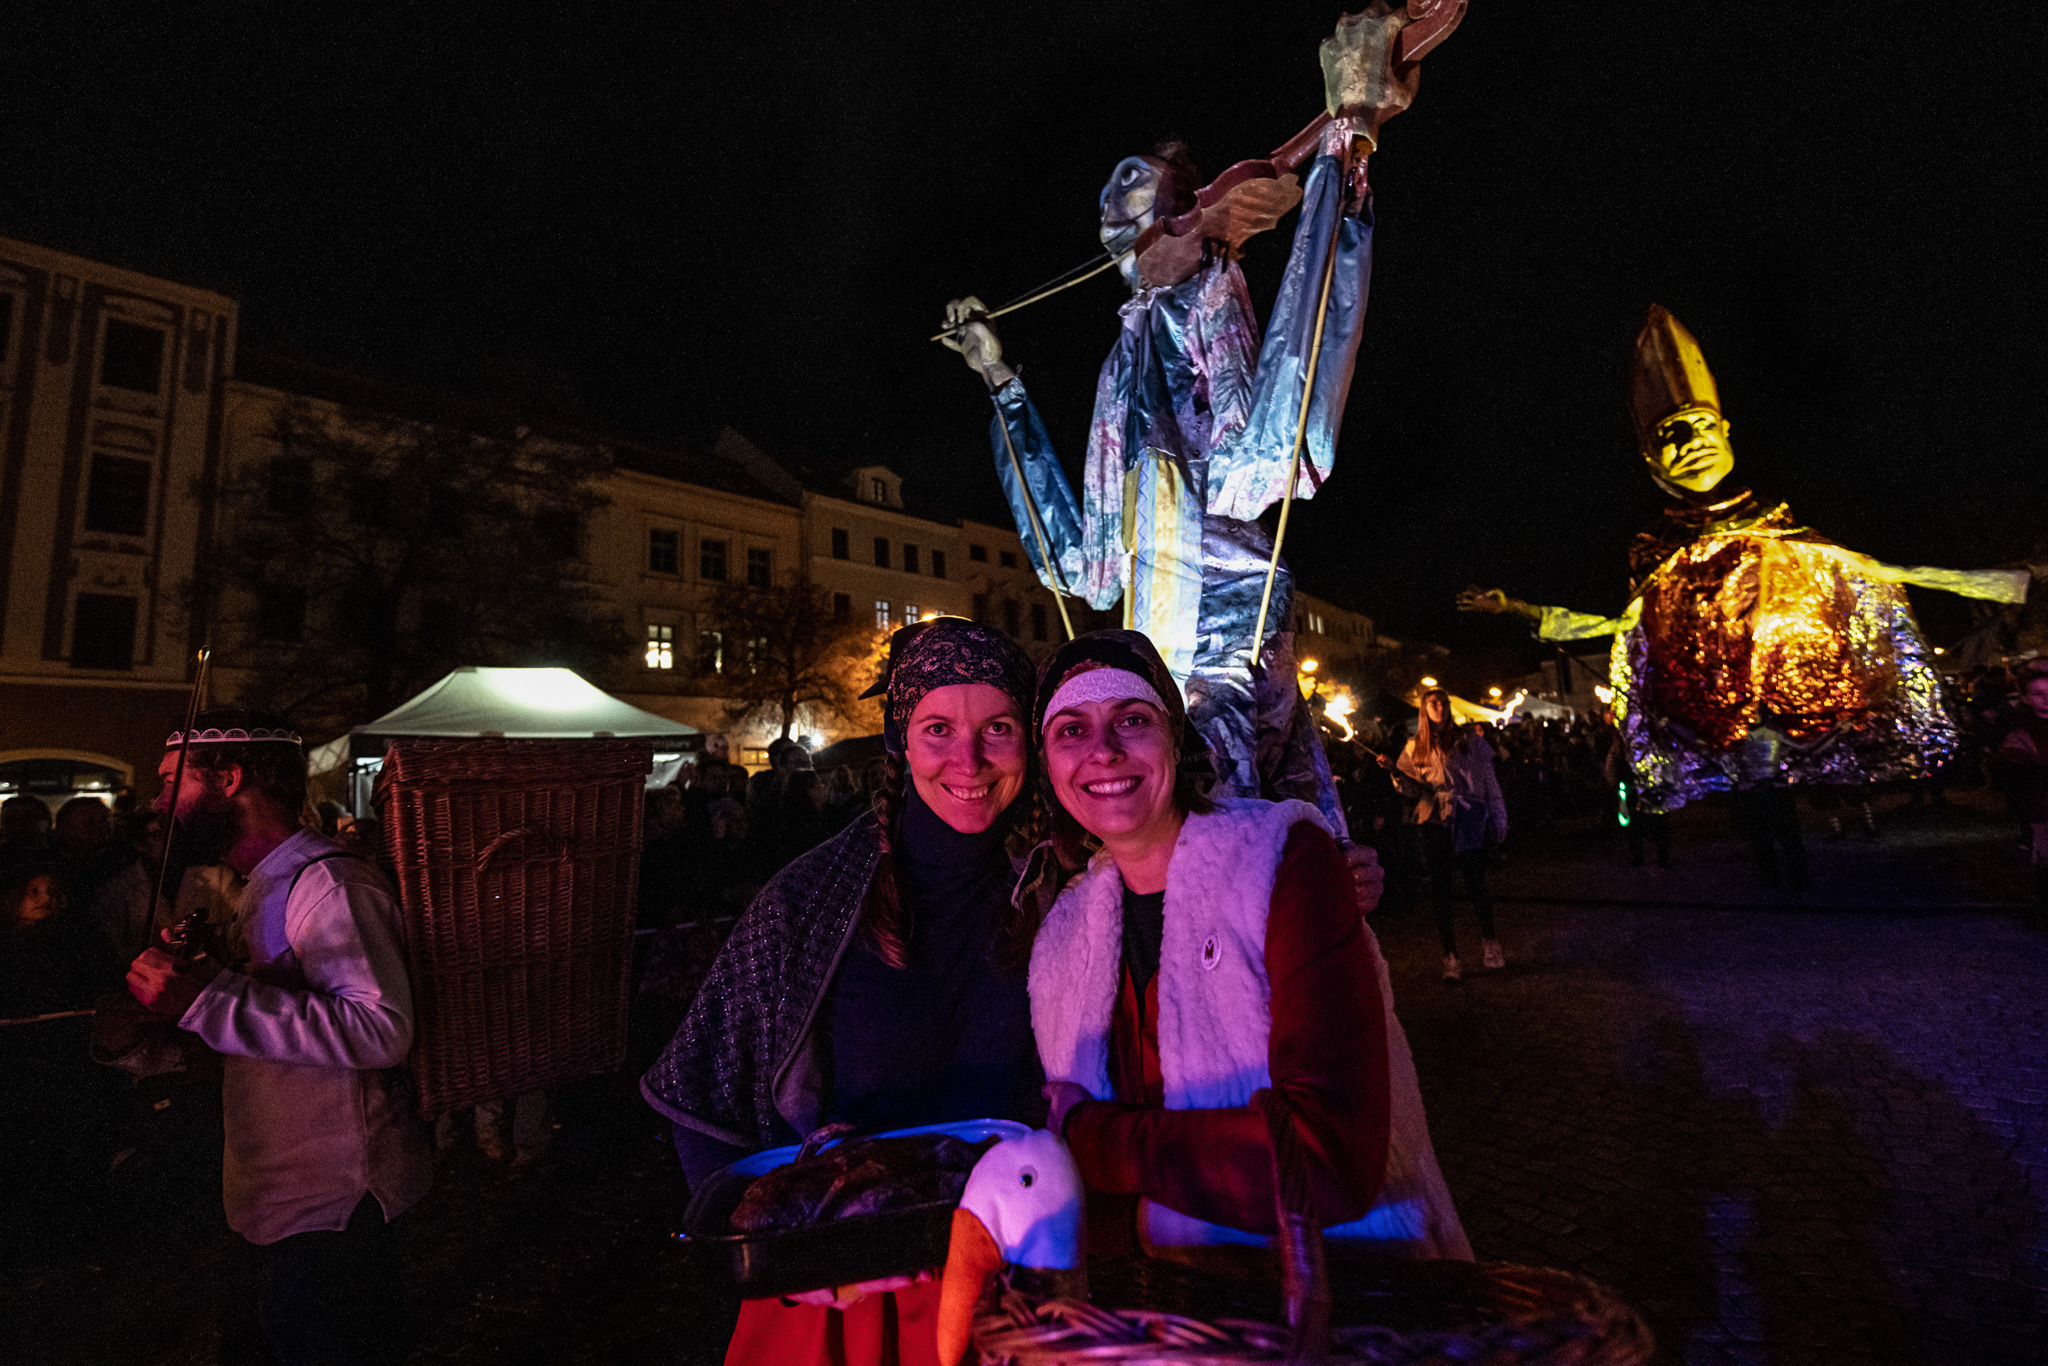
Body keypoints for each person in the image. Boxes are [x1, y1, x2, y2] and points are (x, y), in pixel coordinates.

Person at [941, 9, 1460, 837]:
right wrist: (999, 380)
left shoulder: (1205, 296)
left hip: (1227, 639)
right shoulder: (1123, 355)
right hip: (1157, 664)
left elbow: (1270, 438)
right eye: (1108, 188)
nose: (1111, 198)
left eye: (1133, 179)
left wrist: (1345, 147)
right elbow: (1084, 565)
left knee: (1224, 833)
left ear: (1182, 203)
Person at [641, 618, 1048, 1366]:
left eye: (998, 728)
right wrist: (779, 1255)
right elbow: (700, 1092)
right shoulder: (810, 901)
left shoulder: (1063, 889)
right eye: (937, 729)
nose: (968, 760)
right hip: (850, 1298)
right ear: (900, 741)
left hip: (1021, 1280)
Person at [1460, 305, 2033, 815]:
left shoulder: (1784, 528)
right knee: (1761, 815)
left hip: (1802, 708)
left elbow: (1886, 571)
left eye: (1702, 426)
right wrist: (1517, 609)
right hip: (1718, 725)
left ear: (1727, 431)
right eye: (1671, 434)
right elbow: (1616, 626)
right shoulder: (1659, 554)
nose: (1692, 443)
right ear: (1650, 457)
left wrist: (2010, 584)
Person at [1030, 630, 1467, 1268]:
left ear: (1174, 738)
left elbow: (1325, 1158)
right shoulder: (1061, 934)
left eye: (1133, 719)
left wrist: (1094, 1139)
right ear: (1046, 764)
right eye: (1071, 730)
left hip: (1331, 1290)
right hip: (1151, 1309)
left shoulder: (1282, 862)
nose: (1104, 750)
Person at [123, 707, 429, 1365]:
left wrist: (207, 997)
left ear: (228, 778)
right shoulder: (264, 882)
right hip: (277, 1193)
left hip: (335, 1201)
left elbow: (381, 1028)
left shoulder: (329, 881)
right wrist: (167, 1015)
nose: (157, 802)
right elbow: (270, 1028)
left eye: (172, 780)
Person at [1384, 690, 1507, 982]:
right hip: (1434, 819)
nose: (1439, 707)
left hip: (1467, 817)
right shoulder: (1415, 746)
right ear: (1425, 709)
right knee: (1441, 889)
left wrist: (1498, 814)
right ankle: (1450, 955)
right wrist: (1395, 773)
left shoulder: (1470, 741)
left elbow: (1488, 780)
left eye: (1443, 703)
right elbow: (1411, 790)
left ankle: (1490, 942)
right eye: (1433, 703)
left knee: (1476, 882)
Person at [1991, 664, 2048, 923]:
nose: (2046, 700)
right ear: (2025, 698)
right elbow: (2014, 778)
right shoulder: (2020, 733)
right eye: (2038, 694)